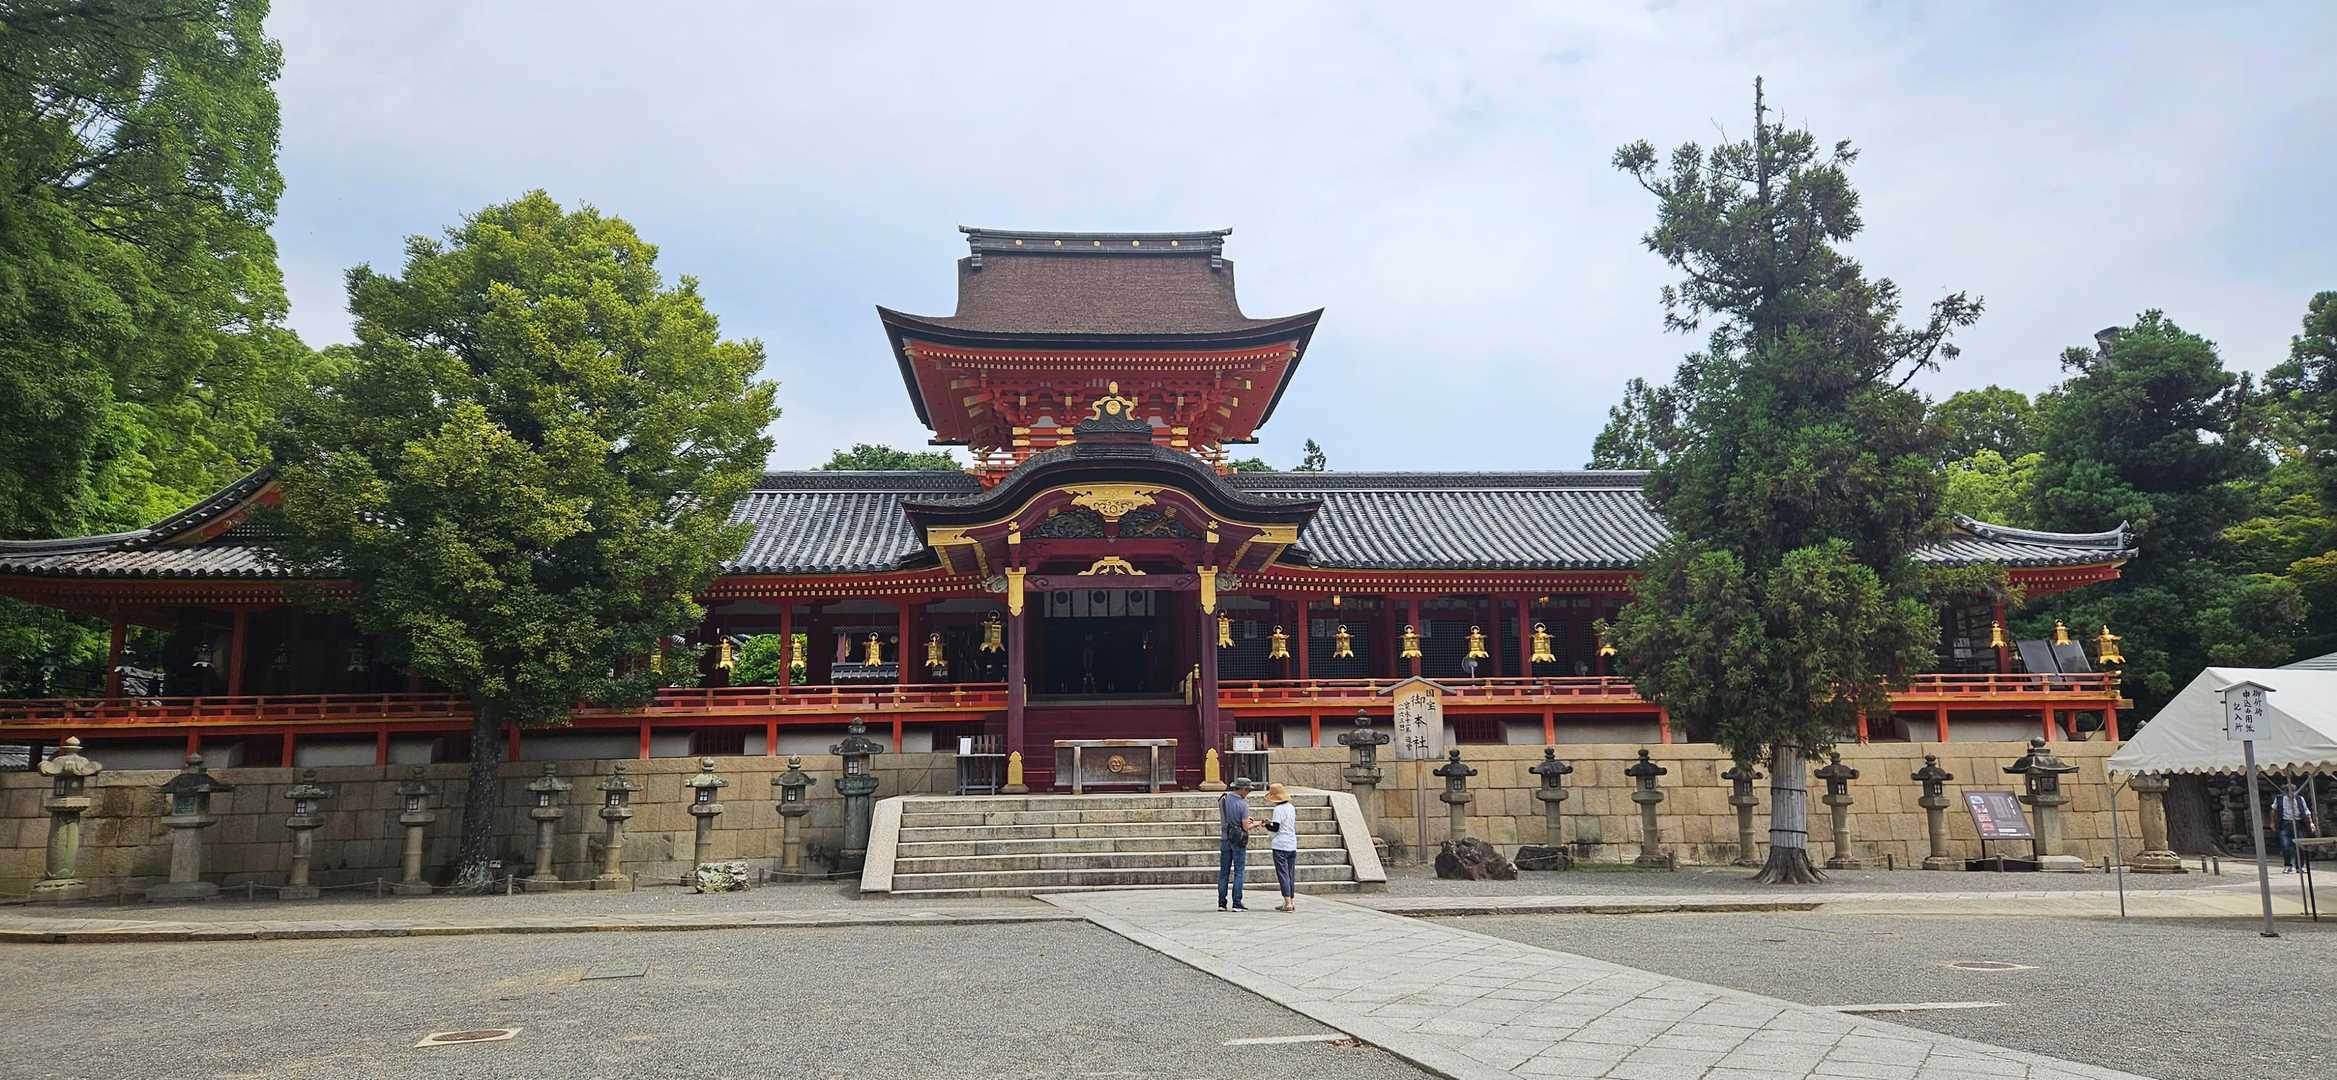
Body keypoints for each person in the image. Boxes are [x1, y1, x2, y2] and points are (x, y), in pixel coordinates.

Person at [1217, 778, 1257, 911]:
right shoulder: (1242, 804)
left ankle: (1222, 903)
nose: (1248, 793)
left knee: (1224, 872)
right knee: (1239, 871)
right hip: (1237, 839)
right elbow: (1245, 827)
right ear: (1242, 789)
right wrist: (1257, 824)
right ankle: (1236, 902)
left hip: (1225, 837)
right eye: (1248, 790)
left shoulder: (1224, 799)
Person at [1261, 782, 1300, 911]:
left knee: (1282, 874)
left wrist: (1267, 824)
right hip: (1292, 844)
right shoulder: (1291, 807)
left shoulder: (1278, 809)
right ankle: (1291, 901)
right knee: (1290, 873)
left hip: (1280, 845)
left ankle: (1287, 902)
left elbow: (1276, 828)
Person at [2274, 782, 2316, 873]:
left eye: (2293, 791)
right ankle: (2288, 865)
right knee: (2285, 846)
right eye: (2289, 792)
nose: (2291, 794)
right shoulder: (2279, 799)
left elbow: (2306, 811)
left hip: (2298, 823)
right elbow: (2274, 810)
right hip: (2285, 823)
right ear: (2285, 792)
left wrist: (2311, 823)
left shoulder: (2300, 799)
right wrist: (2272, 823)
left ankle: (2299, 867)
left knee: (2300, 846)